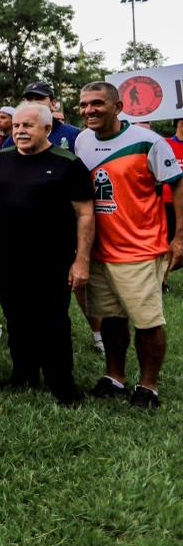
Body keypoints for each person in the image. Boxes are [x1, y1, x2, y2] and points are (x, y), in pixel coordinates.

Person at [76, 82, 183, 409]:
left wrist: (179, 238)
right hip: (98, 251)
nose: (89, 110)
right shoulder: (82, 141)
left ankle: (148, 386)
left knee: (147, 321)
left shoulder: (148, 141)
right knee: (110, 318)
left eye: (97, 104)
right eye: (83, 105)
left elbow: (177, 187)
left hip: (138, 249)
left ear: (119, 106)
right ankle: (115, 377)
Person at [0, 103, 93, 406]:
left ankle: (63, 384)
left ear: (47, 129)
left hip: (52, 259)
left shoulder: (68, 163)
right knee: (17, 318)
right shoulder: (1, 159)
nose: (19, 131)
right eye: (17, 126)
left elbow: (85, 213)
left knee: (53, 321)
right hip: (9, 257)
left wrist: (81, 259)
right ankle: (24, 374)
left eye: (28, 126)